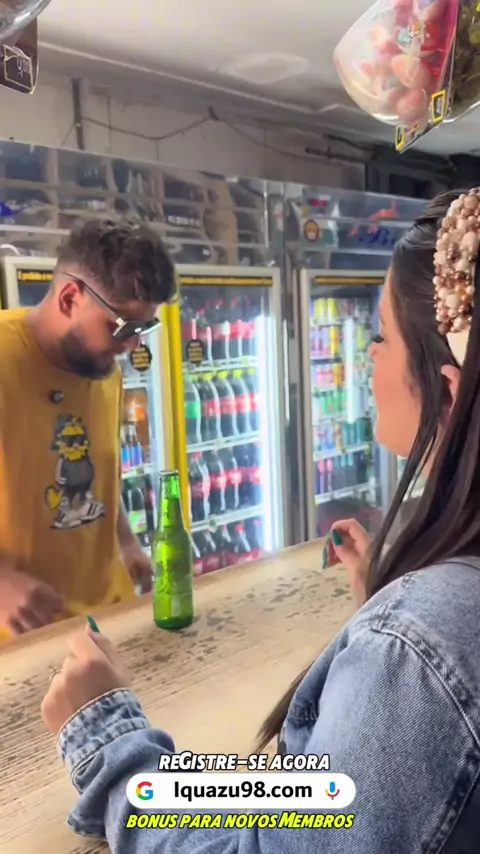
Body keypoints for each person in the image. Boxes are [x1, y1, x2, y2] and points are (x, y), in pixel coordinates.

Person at [41, 189, 480, 852]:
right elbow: (309, 799)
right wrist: (383, 604)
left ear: (448, 391)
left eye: (381, 336)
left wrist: (104, 736)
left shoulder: (418, 648)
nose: (368, 356)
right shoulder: (424, 631)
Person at [0, 218, 176, 639]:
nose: (132, 345)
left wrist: (126, 543)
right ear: (69, 298)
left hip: (108, 621)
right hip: (23, 637)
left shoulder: (103, 369)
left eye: (144, 328)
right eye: (124, 327)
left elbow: (99, 476)